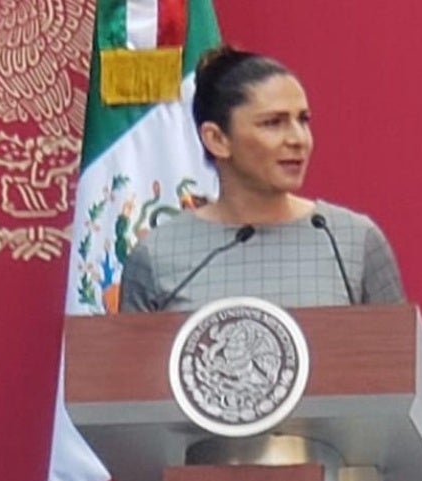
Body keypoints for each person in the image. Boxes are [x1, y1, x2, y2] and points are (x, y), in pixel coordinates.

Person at [119, 46, 405, 312]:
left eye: (303, 120)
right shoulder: (157, 254)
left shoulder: (350, 239)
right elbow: (133, 352)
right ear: (217, 139)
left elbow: (399, 348)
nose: (298, 139)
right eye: (273, 123)